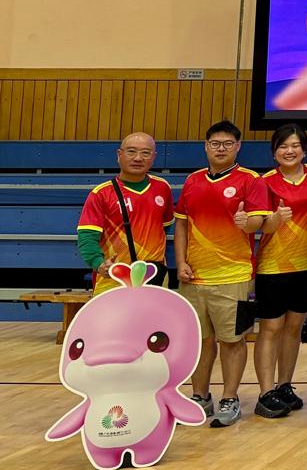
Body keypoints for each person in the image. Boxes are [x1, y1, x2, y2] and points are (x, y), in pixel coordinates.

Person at [174, 120, 268, 429]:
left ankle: (230, 398)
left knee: (232, 340)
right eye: (215, 143)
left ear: (238, 147)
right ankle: (200, 396)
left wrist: (246, 222)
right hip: (194, 277)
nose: (221, 148)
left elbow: (258, 223)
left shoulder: (251, 180)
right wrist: (180, 262)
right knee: (200, 341)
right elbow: (182, 224)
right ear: (206, 146)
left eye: (228, 143)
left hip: (235, 276)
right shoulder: (192, 181)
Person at [251, 124, 307, 419]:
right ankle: (265, 392)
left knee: (294, 327)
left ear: (304, 150)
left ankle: (284, 386)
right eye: (283, 146)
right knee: (271, 328)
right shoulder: (264, 182)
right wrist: (275, 218)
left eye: (295, 145)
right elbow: (261, 226)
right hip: (273, 265)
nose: (289, 151)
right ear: (274, 152)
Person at [76, 131, 173, 294]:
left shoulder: (163, 187)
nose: (138, 158)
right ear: (119, 155)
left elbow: (164, 227)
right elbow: (87, 236)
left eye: (145, 153)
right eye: (131, 151)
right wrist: (99, 264)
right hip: (113, 279)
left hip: (154, 276)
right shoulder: (101, 194)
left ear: (154, 157)